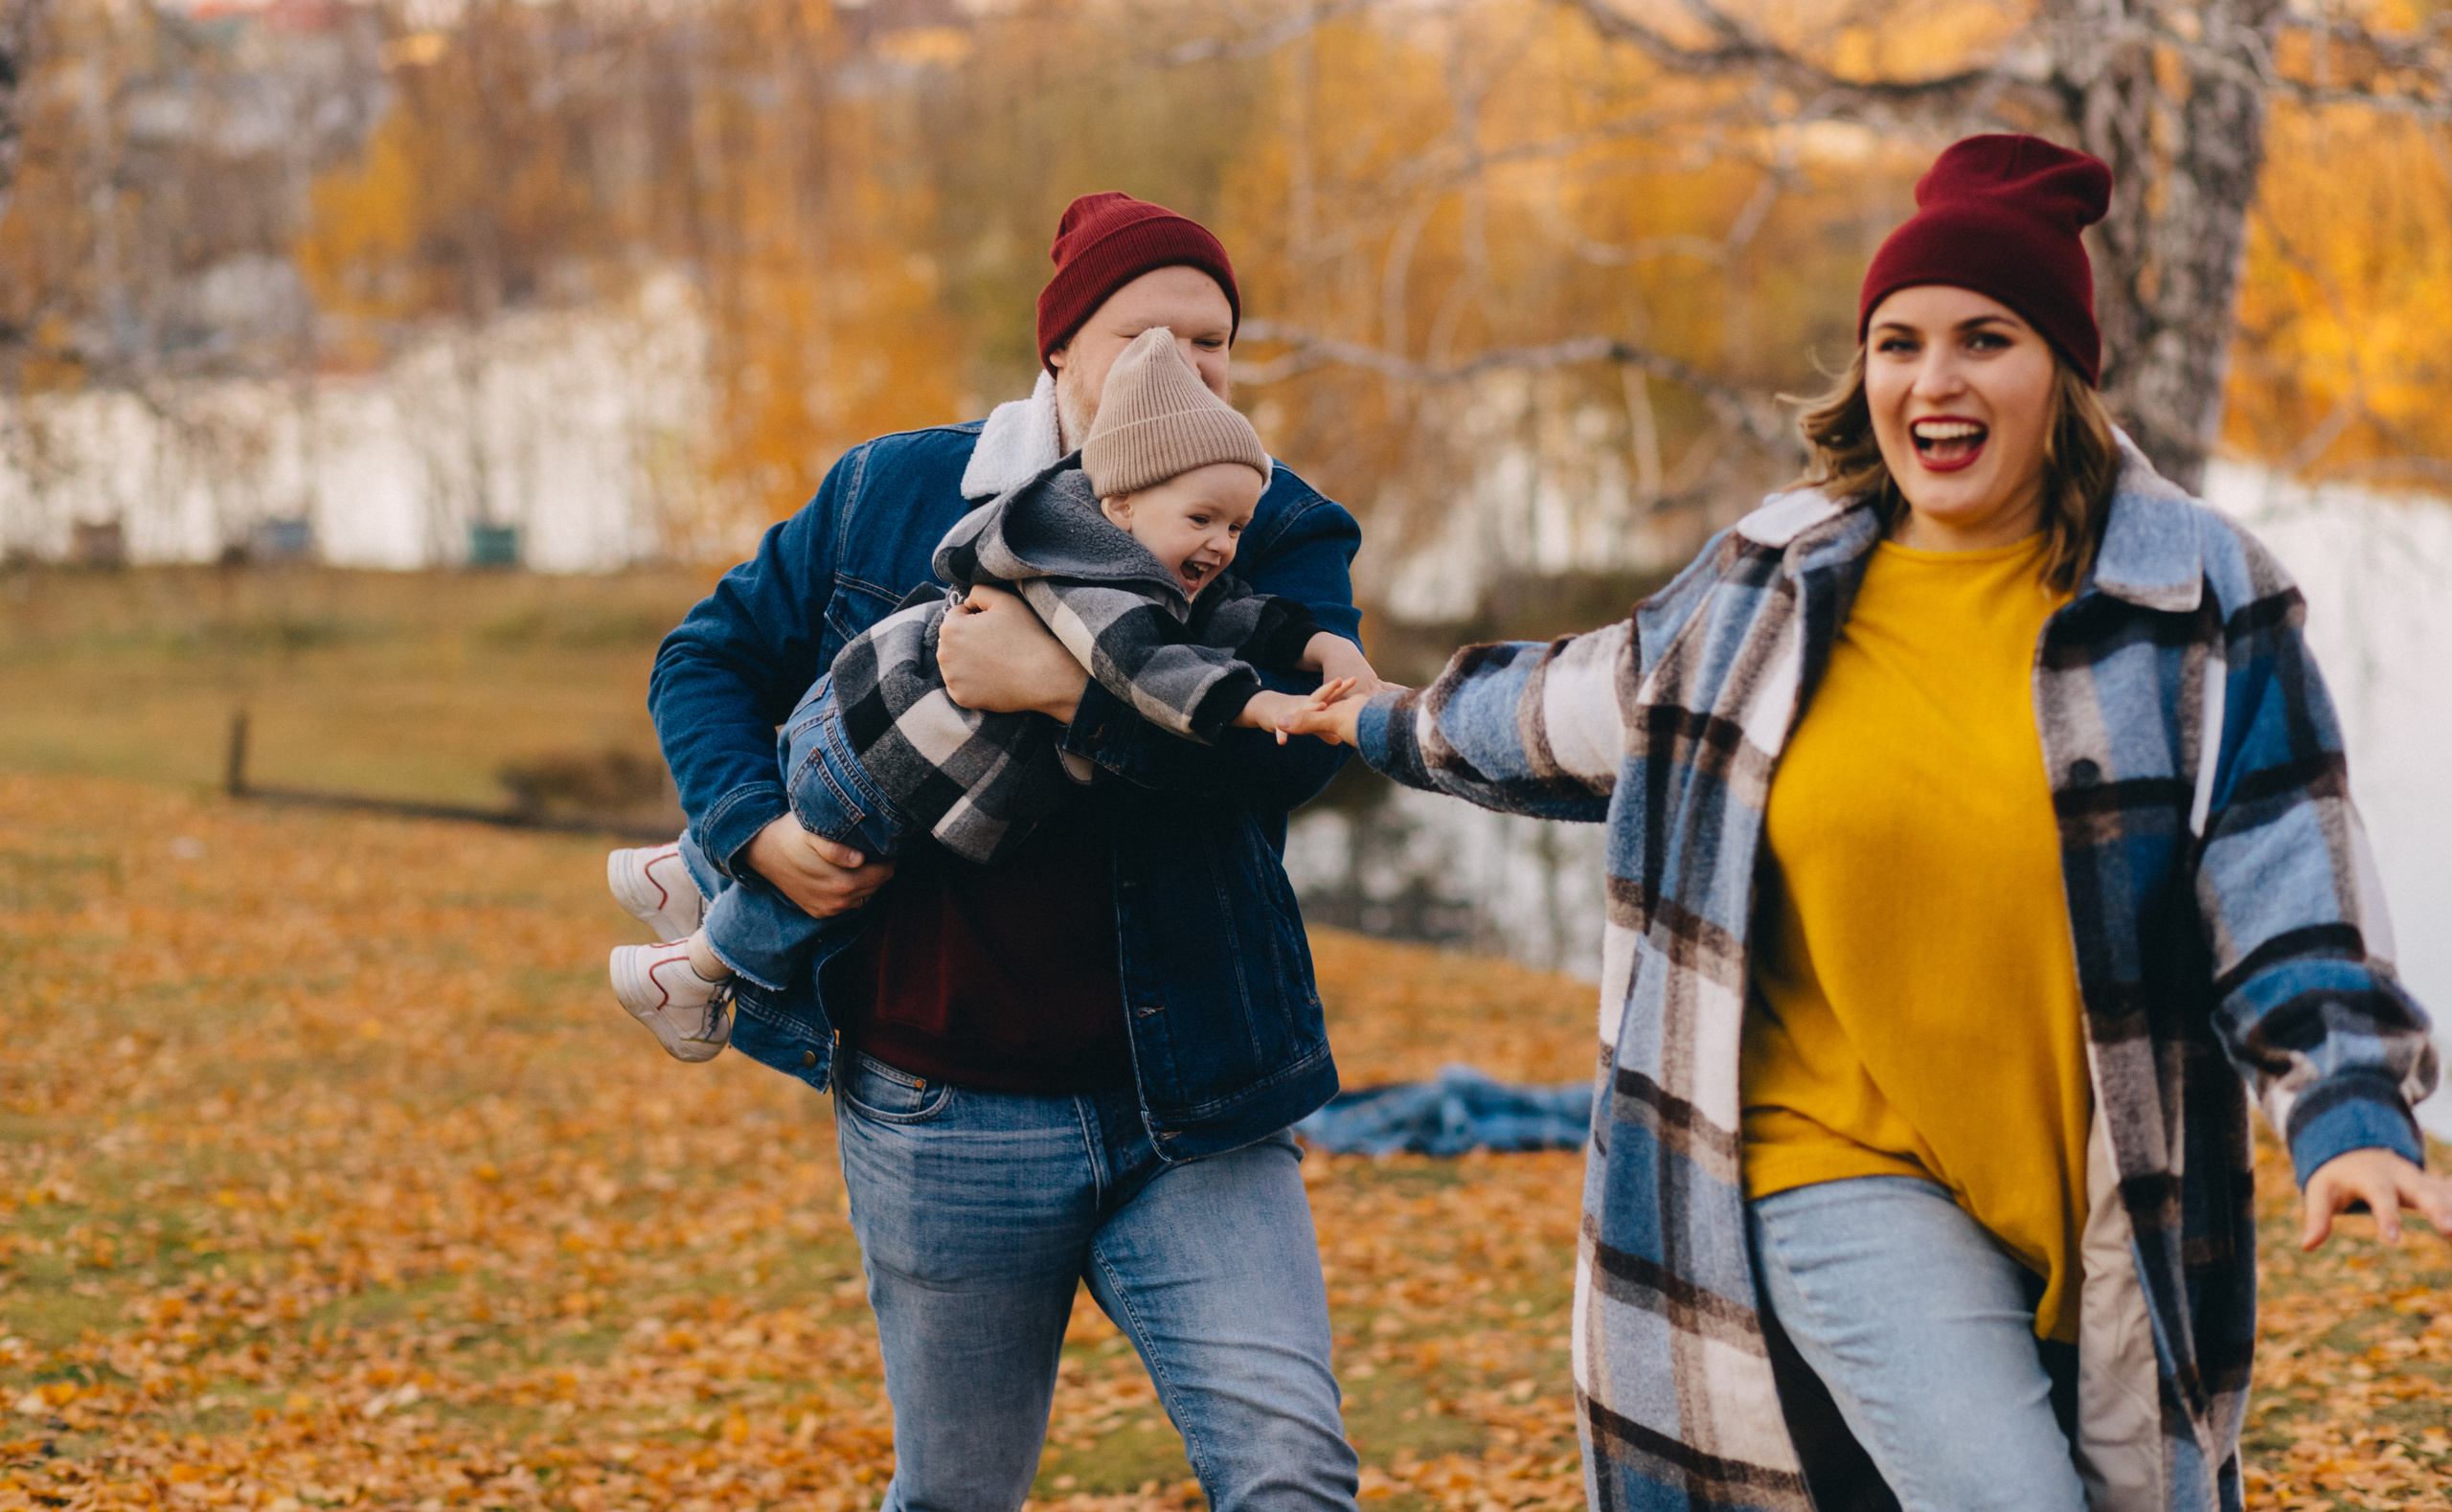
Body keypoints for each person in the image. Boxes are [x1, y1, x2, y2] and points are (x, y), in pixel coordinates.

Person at [1288, 135, 2446, 1512]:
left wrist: (2347, 1098)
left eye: (1985, 338)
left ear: (2064, 374)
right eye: (1898, 342)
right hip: (1829, 1157)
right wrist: (1381, 716)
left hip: (2101, 1197)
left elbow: (2277, 871)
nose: (1934, 379)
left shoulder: (2193, 595)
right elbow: (1574, 706)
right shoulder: (1777, 581)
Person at [632, 192, 1367, 1512]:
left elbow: (1289, 759)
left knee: (1293, 1472)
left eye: (1216, 341)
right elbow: (708, 658)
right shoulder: (892, 491)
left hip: (1197, 1099)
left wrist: (1057, 687)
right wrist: (759, 832)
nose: (1187, 362)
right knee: (958, 1493)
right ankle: (694, 896)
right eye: (1149, 329)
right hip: (944, 1104)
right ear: (1060, 348)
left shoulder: (1264, 513)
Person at [607, 326, 1371, 1059]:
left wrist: (1323, 643)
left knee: (817, 854)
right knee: (826, 873)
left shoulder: (1160, 545)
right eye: (1205, 520)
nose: (1224, 543)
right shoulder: (1083, 564)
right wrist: (1264, 704)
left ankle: (676, 869)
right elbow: (1147, 670)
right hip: (895, 761)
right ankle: (689, 971)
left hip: (888, 740)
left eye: (1236, 526)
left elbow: (1230, 611)